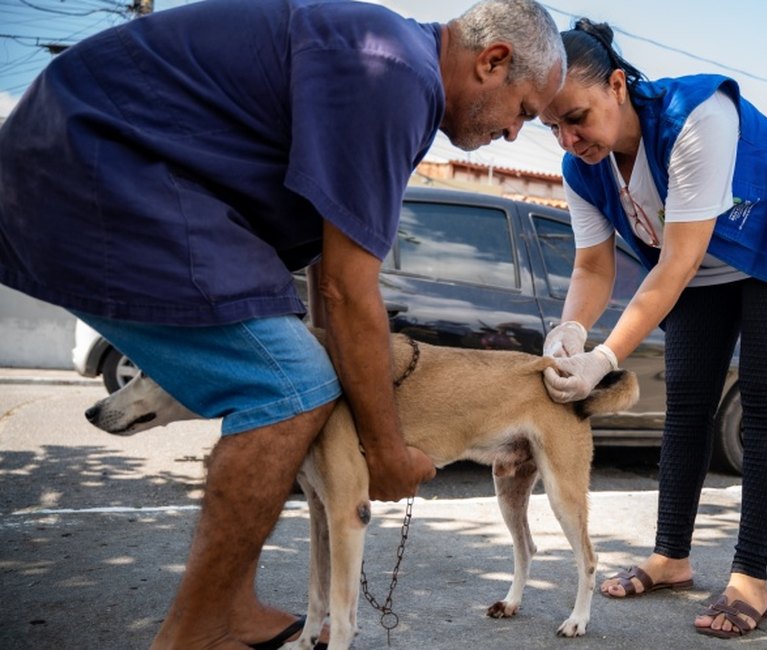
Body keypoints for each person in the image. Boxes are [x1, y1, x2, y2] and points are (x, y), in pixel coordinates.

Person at [0, 1, 565, 647]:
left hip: (95, 161)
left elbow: (331, 271)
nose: (519, 133)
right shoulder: (393, 73)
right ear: (493, 62)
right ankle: (198, 630)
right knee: (284, 387)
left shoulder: (389, 59)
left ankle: (230, 608)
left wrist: (359, 403)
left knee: (295, 375)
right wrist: (384, 451)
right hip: (96, 169)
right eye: (524, 111)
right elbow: (351, 292)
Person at [538, 18, 767, 639]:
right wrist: (569, 334)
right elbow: (592, 265)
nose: (567, 136)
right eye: (551, 124)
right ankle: (671, 557)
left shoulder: (697, 114)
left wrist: (605, 357)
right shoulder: (583, 167)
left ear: (616, 85)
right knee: (687, 404)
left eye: (576, 116)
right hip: (701, 263)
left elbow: (678, 259)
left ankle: (751, 577)